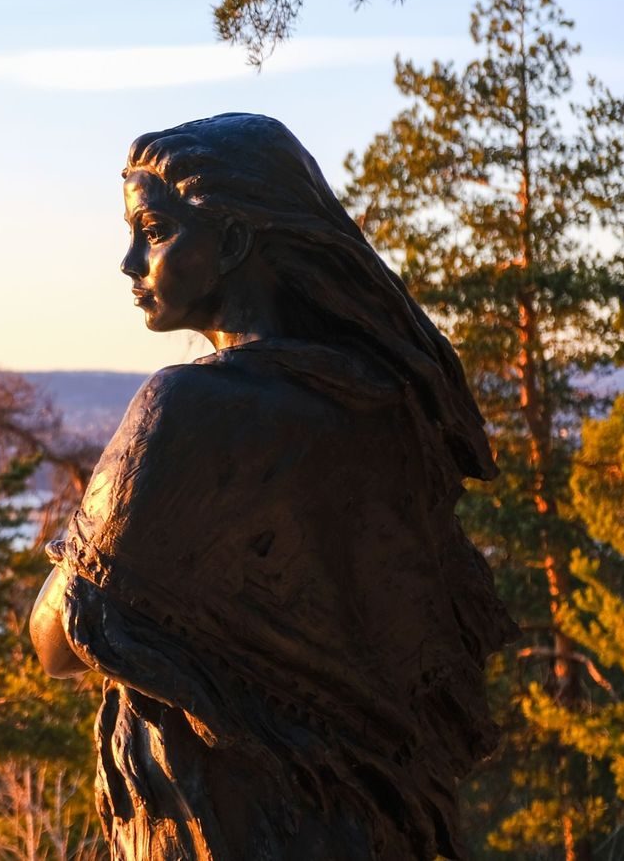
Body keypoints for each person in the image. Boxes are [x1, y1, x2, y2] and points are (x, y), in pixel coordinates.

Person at [30, 113, 515, 860]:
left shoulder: (187, 409)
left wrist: (89, 536)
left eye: (154, 231)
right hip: (375, 828)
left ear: (230, 241)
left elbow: (59, 641)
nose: (130, 262)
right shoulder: (384, 406)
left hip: (229, 826)